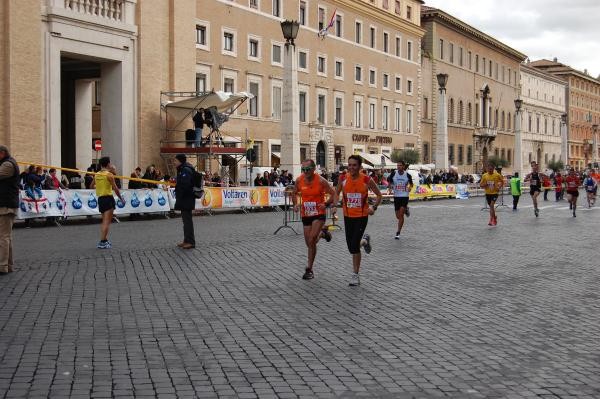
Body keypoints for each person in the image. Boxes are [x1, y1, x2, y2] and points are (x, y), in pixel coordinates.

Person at [335, 155, 382, 286]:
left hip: (361, 216)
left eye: (354, 165)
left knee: (354, 246)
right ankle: (365, 241)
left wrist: (374, 207)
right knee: (351, 247)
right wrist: (334, 205)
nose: (351, 167)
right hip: (347, 216)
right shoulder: (343, 178)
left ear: (360, 167)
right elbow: (336, 192)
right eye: (349, 165)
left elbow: (379, 195)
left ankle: (355, 275)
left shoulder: (366, 179)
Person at [292, 159, 336, 280]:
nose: (305, 172)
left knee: (311, 239)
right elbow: (294, 193)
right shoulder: (299, 180)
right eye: (303, 169)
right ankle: (322, 234)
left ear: (313, 169)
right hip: (306, 214)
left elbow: (334, 194)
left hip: (318, 213)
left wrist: (326, 204)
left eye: (307, 169)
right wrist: (295, 204)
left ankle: (309, 269)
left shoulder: (321, 181)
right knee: (309, 243)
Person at [92, 157, 124, 249]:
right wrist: (121, 198)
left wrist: (99, 187)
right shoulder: (109, 175)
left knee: (104, 221)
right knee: (106, 222)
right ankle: (102, 241)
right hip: (108, 198)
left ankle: (105, 240)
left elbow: (91, 185)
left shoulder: (96, 174)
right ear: (108, 164)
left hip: (101, 199)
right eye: (110, 163)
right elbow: (115, 188)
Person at [0, 146, 19, 275]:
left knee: (3, 237)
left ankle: (2, 266)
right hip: (6, 204)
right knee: (6, 237)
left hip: (6, 206)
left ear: (2, 153)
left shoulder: (8, 164)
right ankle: (8, 265)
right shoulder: (7, 162)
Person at [174, 154, 196, 249]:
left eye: (175, 160)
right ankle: (186, 240)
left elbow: (185, 185)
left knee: (187, 221)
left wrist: (179, 192)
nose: (174, 162)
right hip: (185, 199)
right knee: (185, 221)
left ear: (180, 161)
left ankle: (190, 242)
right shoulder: (183, 169)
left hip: (187, 199)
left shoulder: (185, 170)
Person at [386, 161, 413, 239]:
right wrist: (390, 188)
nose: (398, 167)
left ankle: (398, 232)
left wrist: (409, 188)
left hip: (404, 196)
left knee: (401, 215)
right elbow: (390, 181)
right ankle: (406, 210)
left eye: (400, 165)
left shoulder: (407, 175)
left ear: (403, 166)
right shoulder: (394, 173)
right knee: (398, 216)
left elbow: (411, 184)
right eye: (397, 165)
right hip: (396, 196)